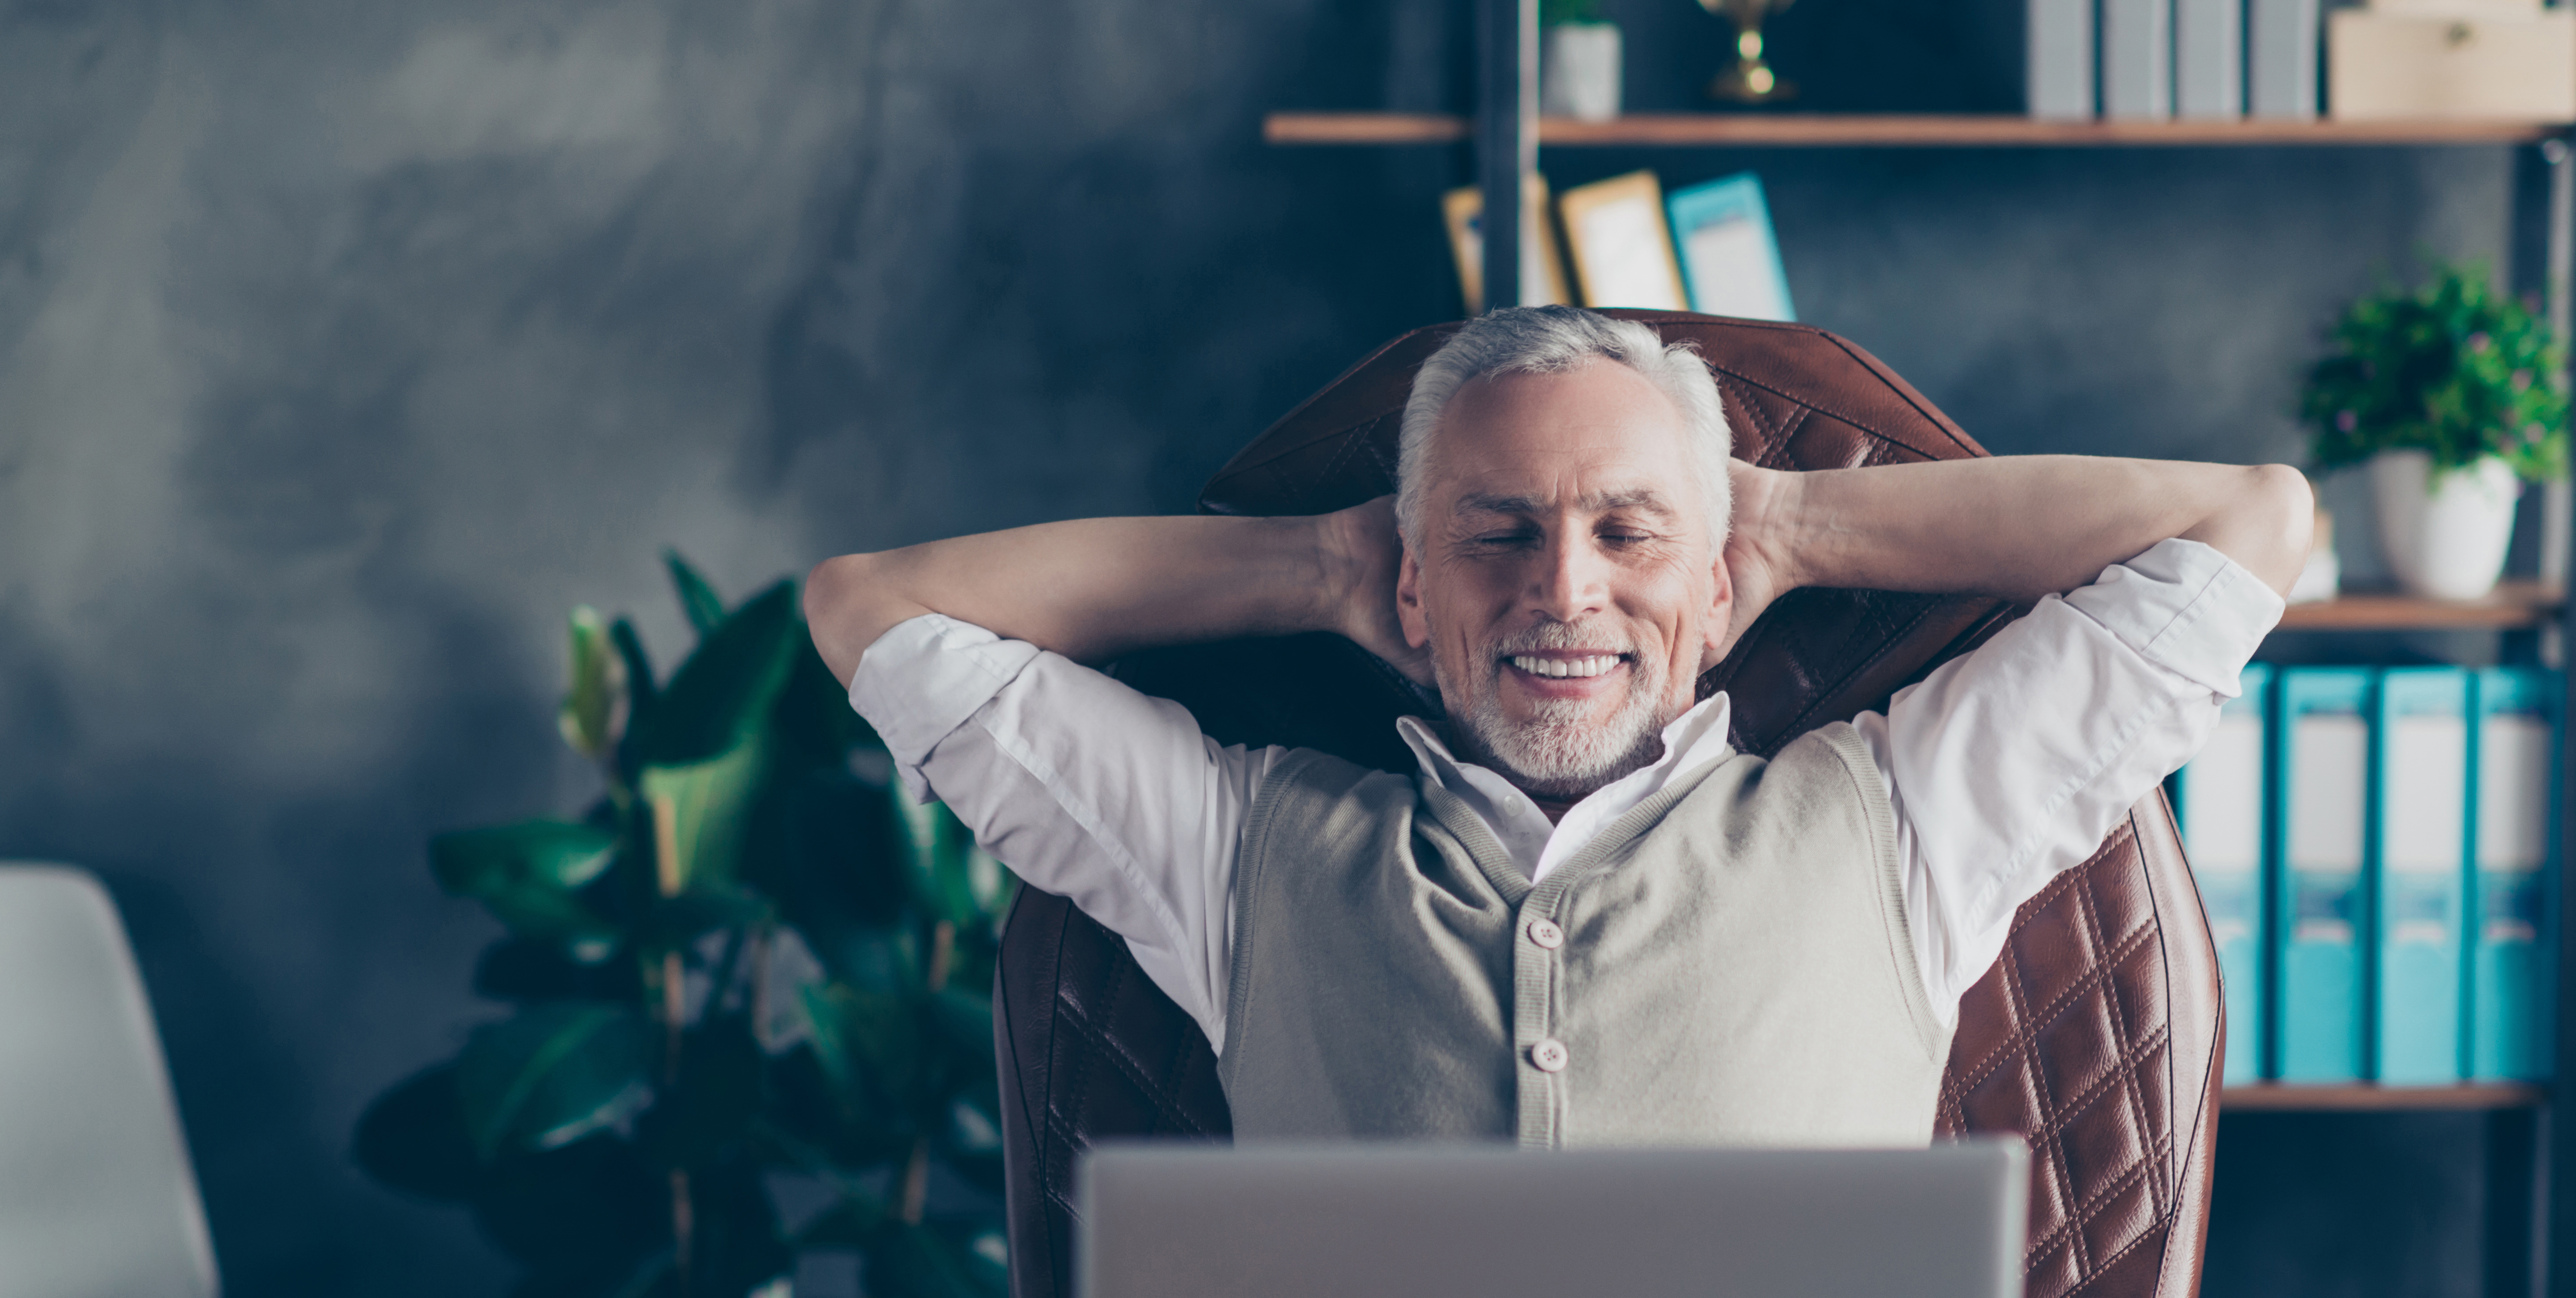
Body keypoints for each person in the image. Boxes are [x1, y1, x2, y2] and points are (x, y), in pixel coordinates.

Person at [807, 308, 2309, 1146]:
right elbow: (874, 612)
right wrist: (1333, 565)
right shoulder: (1227, 850)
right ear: (1413, 583)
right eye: (1500, 534)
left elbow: (2249, 524)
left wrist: (1777, 527)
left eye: (1627, 535)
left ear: (1717, 589)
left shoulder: (1909, 823)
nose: (1564, 591)